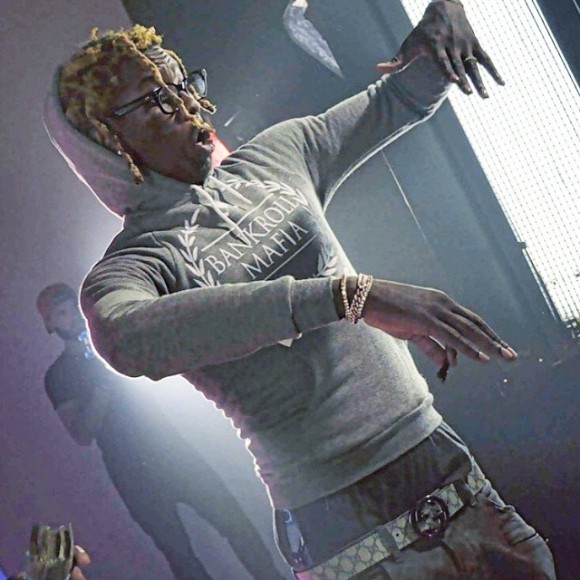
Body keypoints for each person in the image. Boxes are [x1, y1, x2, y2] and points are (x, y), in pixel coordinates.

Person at [43, 1, 557, 577]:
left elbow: (400, 98)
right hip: (342, 515)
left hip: (439, 459)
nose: (185, 104)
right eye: (153, 99)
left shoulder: (275, 156)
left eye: (182, 82)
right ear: (107, 142)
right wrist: (347, 296)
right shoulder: (134, 265)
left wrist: (447, 15)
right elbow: (123, 338)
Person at [36, 283, 286, 580]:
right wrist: (101, 386)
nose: (74, 316)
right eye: (62, 312)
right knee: (179, 553)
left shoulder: (113, 343)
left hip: (167, 448)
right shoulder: (59, 376)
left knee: (235, 523)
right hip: (130, 472)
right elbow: (81, 433)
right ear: (50, 324)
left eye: (74, 307)